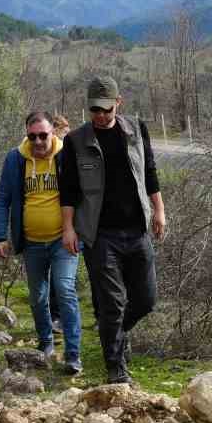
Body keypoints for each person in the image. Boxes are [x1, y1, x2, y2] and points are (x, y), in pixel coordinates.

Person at [58, 74, 166, 385]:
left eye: (107, 109)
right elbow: (68, 191)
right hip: (99, 235)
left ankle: (114, 331)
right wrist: (69, 229)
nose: (101, 115)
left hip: (137, 231)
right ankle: (116, 369)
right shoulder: (76, 141)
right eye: (95, 109)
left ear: (119, 103)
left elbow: (149, 171)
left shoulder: (136, 129)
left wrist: (159, 210)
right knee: (112, 303)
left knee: (146, 300)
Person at [0, 111, 82, 374]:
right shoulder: (16, 159)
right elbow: (2, 198)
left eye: (43, 135)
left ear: (52, 132)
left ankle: (73, 354)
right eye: (33, 136)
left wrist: (77, 230)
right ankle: (46, 344)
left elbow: (81, 195)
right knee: (38, 296)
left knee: (64, 289)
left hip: (63, 240)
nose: (39, 141)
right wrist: (0, 235)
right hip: (31, 241)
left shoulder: (67, 156)